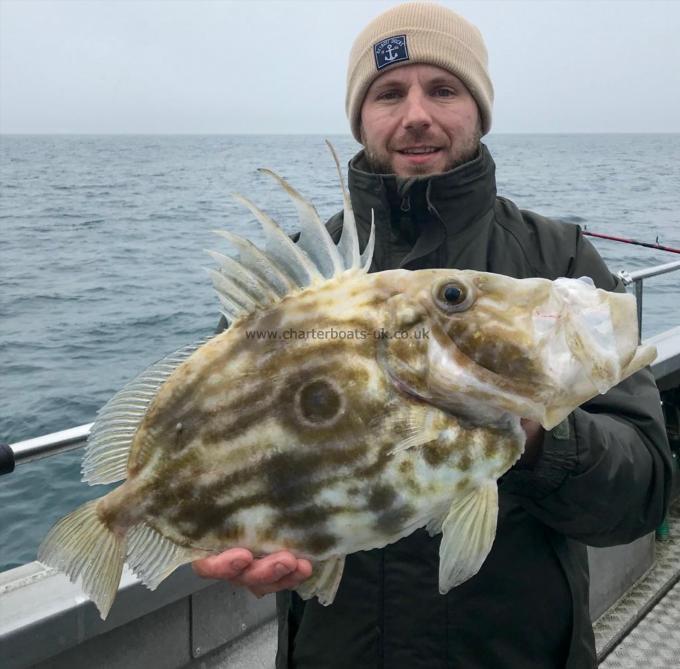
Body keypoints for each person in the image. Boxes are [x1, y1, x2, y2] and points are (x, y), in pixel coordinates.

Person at [193, 3, 673, 667]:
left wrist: (535, 437)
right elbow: (218, 430)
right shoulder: (298, 284)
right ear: (361, 118)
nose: (415, 113)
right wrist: (235, 527)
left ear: (478, 109)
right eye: (388, 93)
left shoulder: (558, 267)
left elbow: (643, 490)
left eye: (443, 89)